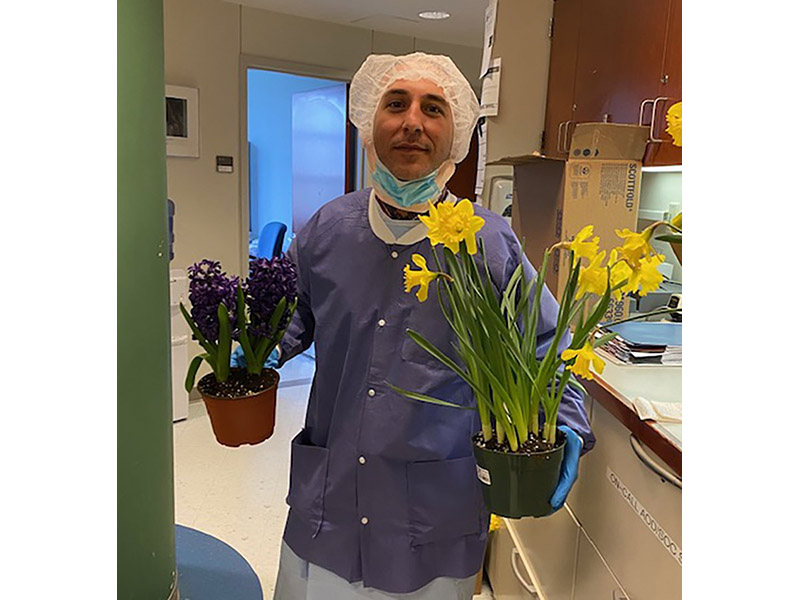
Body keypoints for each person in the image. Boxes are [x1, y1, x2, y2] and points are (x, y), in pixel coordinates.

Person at [237, 52, 595, 599]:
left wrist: (564, 423)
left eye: (433, 108)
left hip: (432, 515)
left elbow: (547, 343)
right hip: (330, 502)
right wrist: (253, 351)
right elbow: (296, 319)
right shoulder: (326, 231)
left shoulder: (487, 242)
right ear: (368, 123)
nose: (412, 122)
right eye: (395, 103)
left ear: (454, 138)